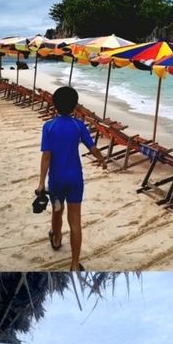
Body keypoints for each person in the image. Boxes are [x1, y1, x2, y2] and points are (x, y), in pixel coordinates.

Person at [37, 86, 108, 271]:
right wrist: (102, 160)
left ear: (54, 104)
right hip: (75, 178)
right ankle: (75, 264)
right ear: (75, 105)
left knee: (57, 210)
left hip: (57, 180)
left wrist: (40, 183)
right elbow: (92, 148)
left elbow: (46, 156)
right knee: (75, 219)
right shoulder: (79, 125)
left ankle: (57, 238)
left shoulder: (49, 126)